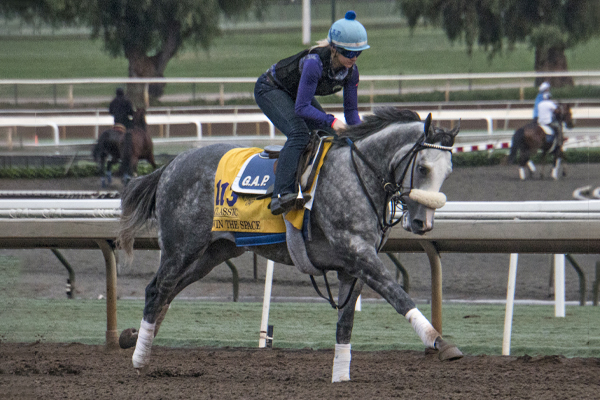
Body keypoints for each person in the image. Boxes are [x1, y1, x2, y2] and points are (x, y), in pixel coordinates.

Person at [254, 10, 369, 215]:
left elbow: (351, 113)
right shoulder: (313, 63)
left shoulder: (351, 72)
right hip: (270, 89)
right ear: (334, 49)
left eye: (358, 53)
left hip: (296, 93)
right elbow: (301, 108)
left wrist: (362, 136)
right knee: (299, 134)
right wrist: (332, 120)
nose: (354, 58)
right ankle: (280, 195)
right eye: (349, 53)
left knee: (332, 137)